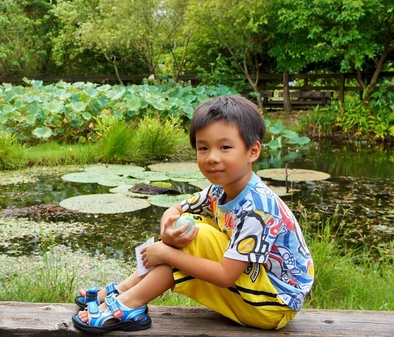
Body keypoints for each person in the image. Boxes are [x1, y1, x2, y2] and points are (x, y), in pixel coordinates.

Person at [72, 95, 315, 333]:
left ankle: (128, 304)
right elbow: (176, 209)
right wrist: (167, 227)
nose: (212, 157)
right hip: (255, 291)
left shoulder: (258, 208)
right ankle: (124, 290)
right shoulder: (220, 190)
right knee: (186, 224)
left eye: (225, 147)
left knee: (196, 235)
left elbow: (225, 276)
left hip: (273, 306)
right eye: (203, 148)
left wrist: (166, 251)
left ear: (253, 151)